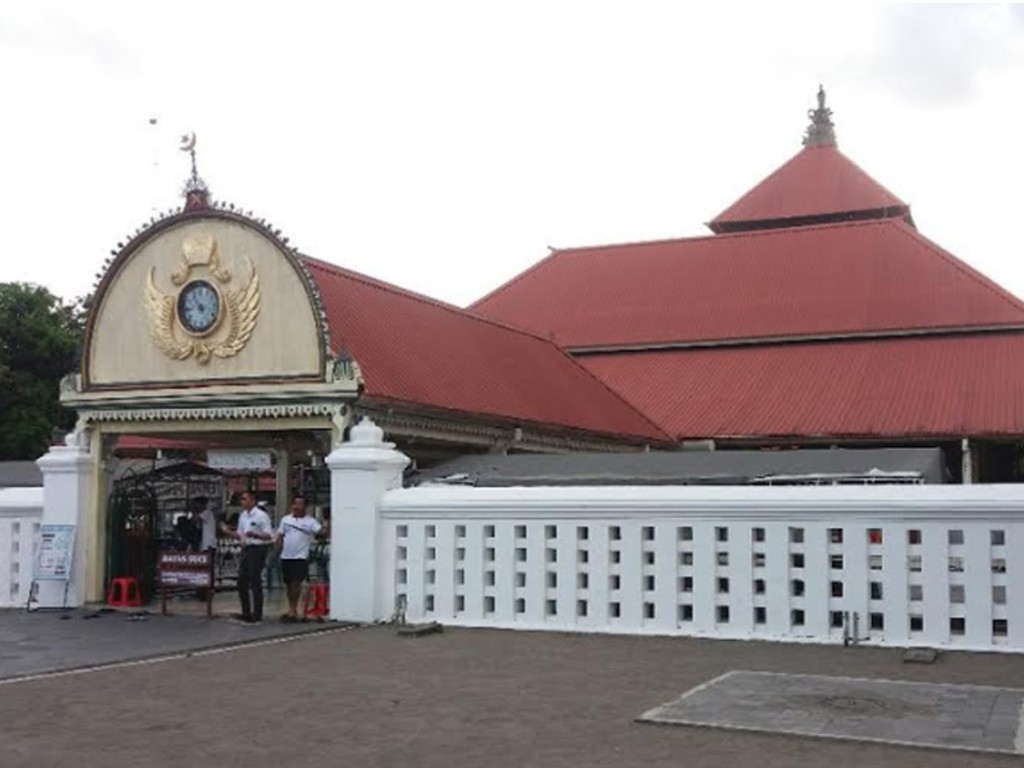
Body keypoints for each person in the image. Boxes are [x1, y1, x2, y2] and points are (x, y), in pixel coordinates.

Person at [275, 495, 324, 622]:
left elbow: (320, 531)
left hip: (300, 556)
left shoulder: (310, 521)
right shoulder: (286, 520)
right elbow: (280, 535)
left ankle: (294, 610)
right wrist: (277, 549)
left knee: (296, 583)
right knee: (288, 583)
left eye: (300, 504)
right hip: (286, 555)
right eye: (295, 504)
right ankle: (291, 608)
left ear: (305, 507)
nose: (296, 507)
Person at [231, 491, 274, 624]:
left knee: (255, 579)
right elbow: (240, 534)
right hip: (246, 547)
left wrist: (256, 535)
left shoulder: (261, 516)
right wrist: (229, 532)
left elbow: (269, 535)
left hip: (258, 548)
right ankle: (246, 611)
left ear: (252, 500)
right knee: (241, 581)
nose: (242, 502)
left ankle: (257, 613)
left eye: (245, 499)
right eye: (241, 499)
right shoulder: (243, 515)